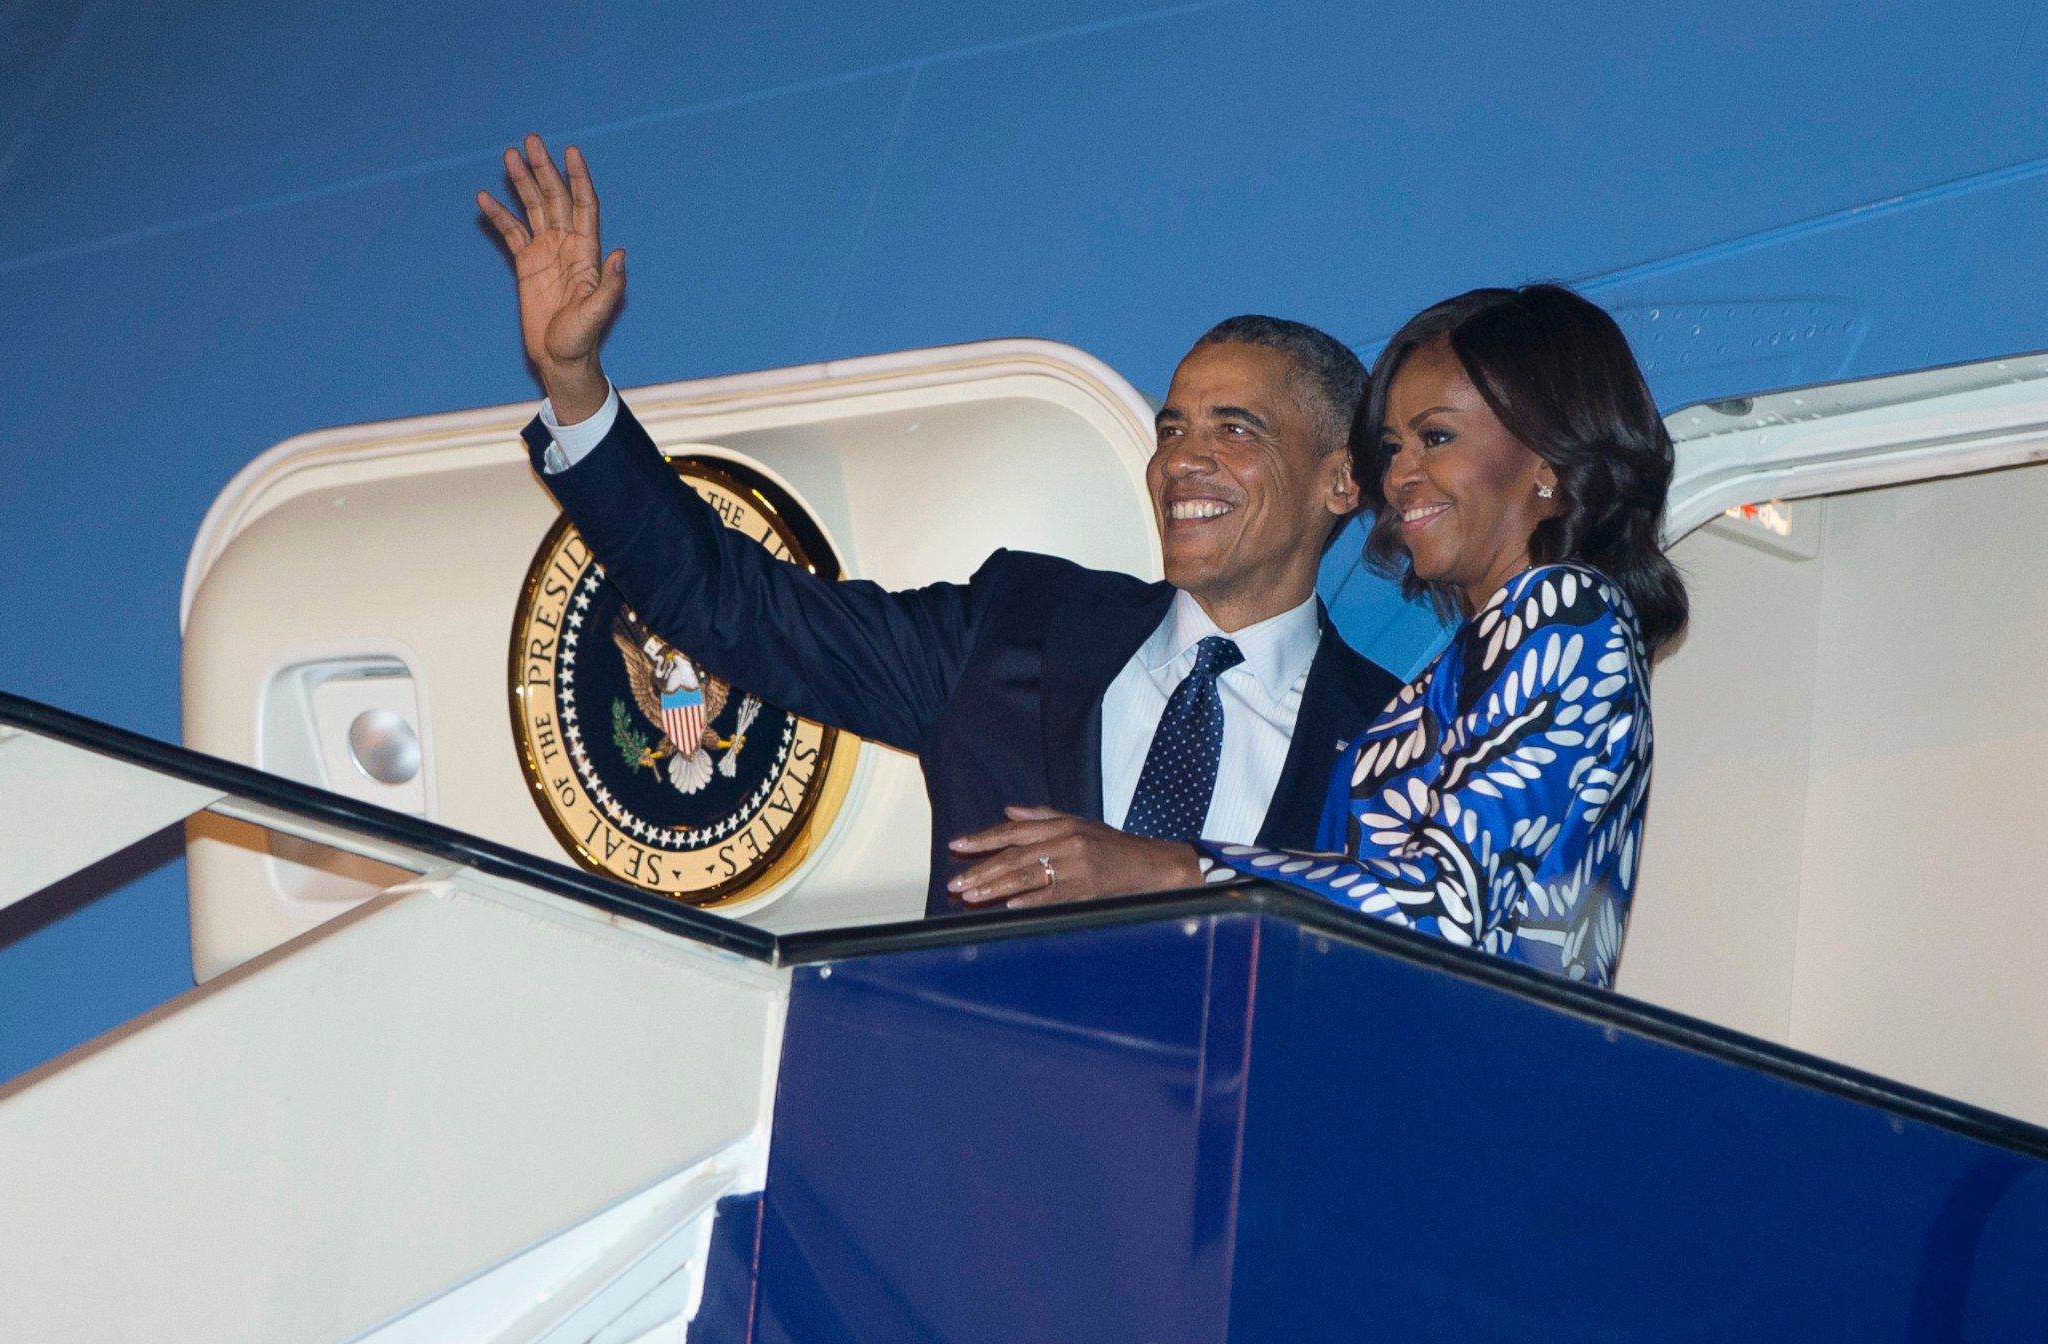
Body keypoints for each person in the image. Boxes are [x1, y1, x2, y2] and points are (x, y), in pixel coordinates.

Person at [476, 136, 1400, 915]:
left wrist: (1175, 873)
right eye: (1171, 428)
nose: (1180, 460)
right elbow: (728, 603)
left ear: (1342, 481)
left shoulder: (1399, 740)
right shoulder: (1012, 627)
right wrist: (575, 387)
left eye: (1235, 429)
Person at [950, 285, 1683, 987]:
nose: (1399, 477)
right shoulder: (1476, 655)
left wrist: (1172, 869)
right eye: (1392, 447)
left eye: (1436, 437)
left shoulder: (1565, 610)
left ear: (1548, 463)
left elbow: (1450, 913)